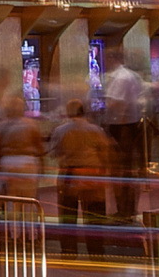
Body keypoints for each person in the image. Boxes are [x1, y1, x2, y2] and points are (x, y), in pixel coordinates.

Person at [50, 100, 111, 256]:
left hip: (69, 175)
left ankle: (69, 251)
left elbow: (55, 153)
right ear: (84, 112)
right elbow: (105, 154)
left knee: (68, 216)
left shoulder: (60, 130)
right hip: (92, 173)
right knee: (94, 215)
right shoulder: (96, 130)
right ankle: (96, 251)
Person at [103, 48, 145, 220]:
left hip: (122, 127)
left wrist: (110, 130)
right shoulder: (130, 76)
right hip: (127, 125)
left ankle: (124, 210)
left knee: (121, 171)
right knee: (126, 171)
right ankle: (127, 208)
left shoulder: (121, 78)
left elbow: (116, 104)